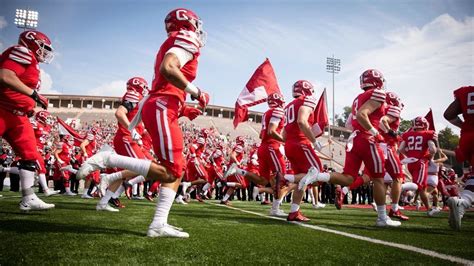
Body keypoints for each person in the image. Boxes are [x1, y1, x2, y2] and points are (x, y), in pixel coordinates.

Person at [77, 8, 209, 238]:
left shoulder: (171, 42)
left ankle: (158, 224)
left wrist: (184, 107)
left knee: (177, 167)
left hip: (164, 105)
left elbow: (163, 85)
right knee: (172, 169)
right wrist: (195, 91)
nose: (198, 28)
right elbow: (168, 69)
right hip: (162, 106)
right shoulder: (186, 38)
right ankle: (108, 161)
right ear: (187, 24)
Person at [301, 69, 401, 227]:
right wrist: (375, 132)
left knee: (348, 178)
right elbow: (362, 115)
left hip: (354, 140)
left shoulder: (358, 98)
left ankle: (318, 176)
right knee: (378, 179)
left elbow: (348, 124)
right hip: (368, 140)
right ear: (378, 81)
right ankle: (382, 218)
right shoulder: (378, 94)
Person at [0, 30, 55, 211]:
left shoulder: (32, 62)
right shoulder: (22, 51)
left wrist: (28, 105)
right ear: (32, 42)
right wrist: (34, 94)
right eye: (43, 47)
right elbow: (6, 76)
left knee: (30, 155)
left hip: (18, 115)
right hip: (3, 109)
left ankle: (28, 197)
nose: (45, 51)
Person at [443, 86, 474, 230]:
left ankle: (461, 204)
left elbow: (449, 114)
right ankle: (463, 203)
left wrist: (464, 126)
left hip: (468, 136)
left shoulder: (467, 92)